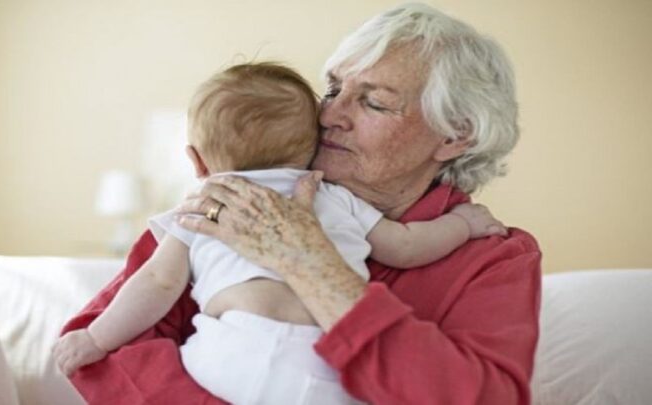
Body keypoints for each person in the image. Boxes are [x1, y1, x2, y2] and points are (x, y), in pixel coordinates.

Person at [59, 3, 541, 404]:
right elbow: (101, 348)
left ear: (456, 135)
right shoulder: (232, 201)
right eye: (331, 89)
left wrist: (311, 263)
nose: (329, 115)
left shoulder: (494, 257)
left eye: (372, 102)